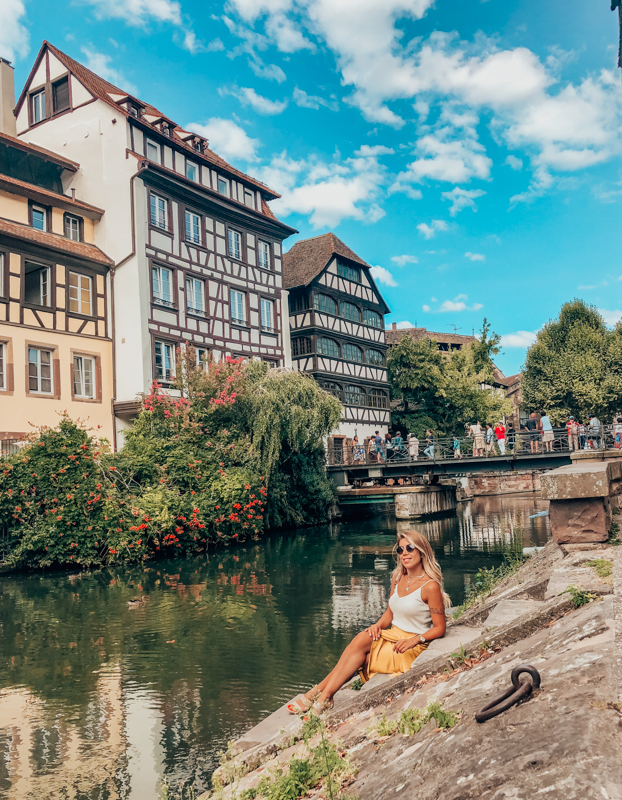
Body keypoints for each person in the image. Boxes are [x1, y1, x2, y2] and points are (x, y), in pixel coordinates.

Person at [286, 530, 449, 714]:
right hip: (392, 635)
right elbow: (390, 612)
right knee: (362, 638)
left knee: (358, 656)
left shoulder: (430, 586)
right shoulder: (397, 577)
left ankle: (318, 696)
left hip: (410, 645)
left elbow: (440, 628)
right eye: (400, 549)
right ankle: (323, 697)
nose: (404, 553)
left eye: (410, 548)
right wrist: (378, 626)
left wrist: (415, 640)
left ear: (421, 551)